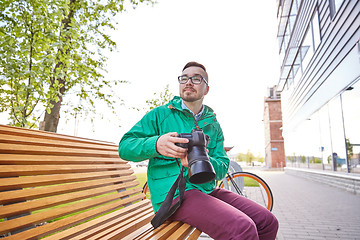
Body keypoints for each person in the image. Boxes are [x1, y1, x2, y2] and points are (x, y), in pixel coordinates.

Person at [118, 61, 278, 240]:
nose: (188, 82)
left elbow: (223, 165)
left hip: (205, 189)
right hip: (174, 194)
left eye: (196, 78)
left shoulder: (212, 124)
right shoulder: (160, 115)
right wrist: (156, 144)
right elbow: (125, 147)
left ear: (206, 89)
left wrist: (205, 160)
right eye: (184, 78)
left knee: (267, 221)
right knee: (241, 228)